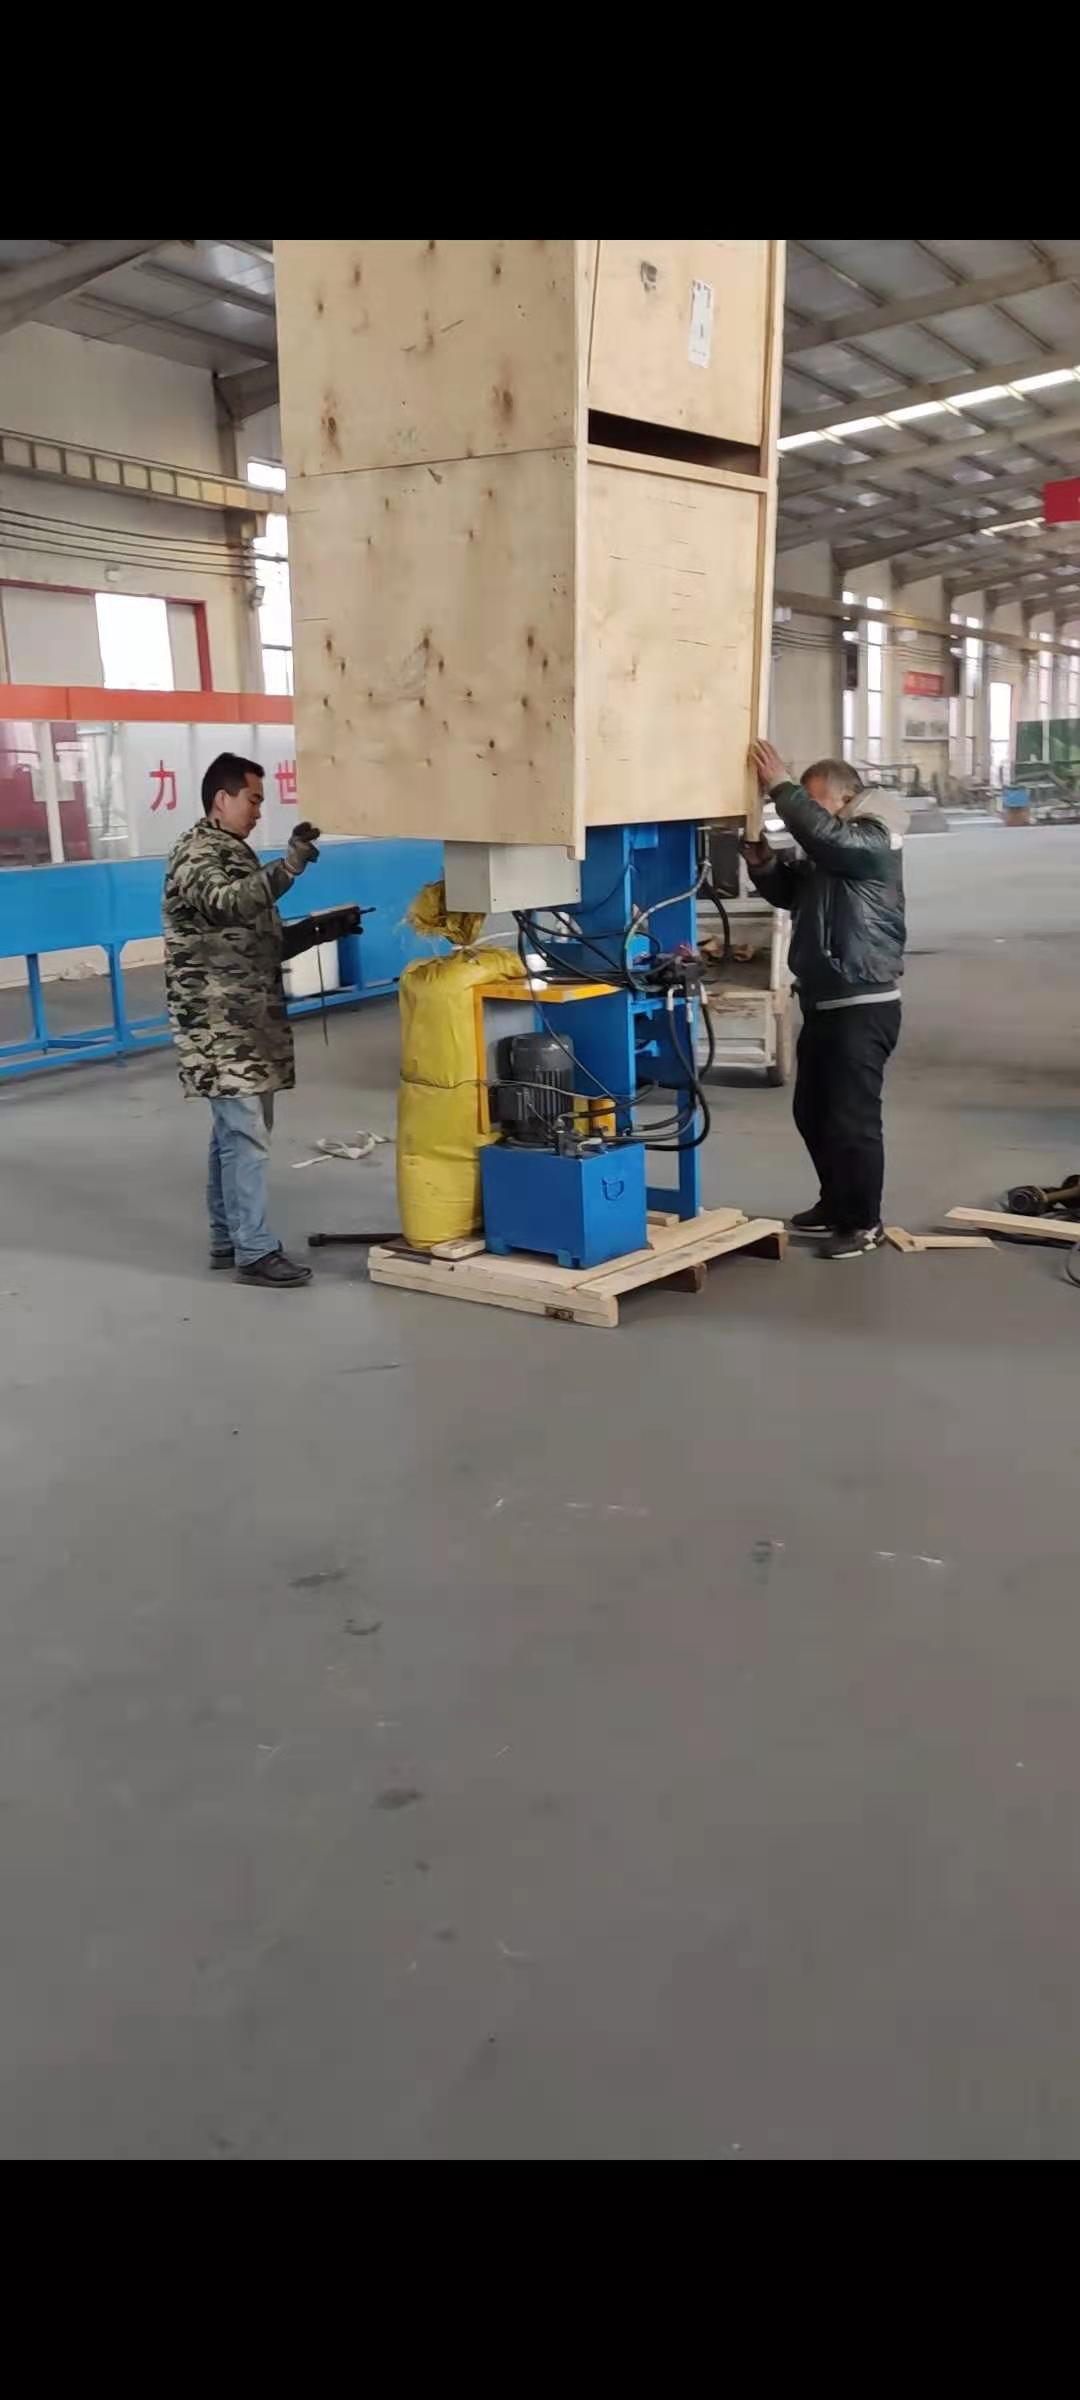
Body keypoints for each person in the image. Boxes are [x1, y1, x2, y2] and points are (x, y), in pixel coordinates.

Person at [163, 752, 360, 1288]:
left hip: (245, 1019)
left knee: (234, 1133)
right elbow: (224, 905)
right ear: (221, 798)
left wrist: (318, 932)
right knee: (245, 1134)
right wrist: (288, 867)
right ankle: (253, 1250)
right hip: (216, 1022)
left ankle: (228, 1238)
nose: (257, 811)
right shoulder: (197, 852)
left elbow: (254, 939)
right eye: (252, 800)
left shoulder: (234, 852)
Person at [743, 740, 907, 1259]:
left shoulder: (873, 840)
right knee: (813, 1111)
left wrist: (782, 786)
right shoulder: (831, 857)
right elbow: (793, 895)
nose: (805, 815)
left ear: (845, 798)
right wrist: (765, 866)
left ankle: (863, 1222)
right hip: (824, 1002)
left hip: (863, 1002)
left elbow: (826, 836)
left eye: (814, 802)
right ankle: (837, 1203)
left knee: (852, 1120)